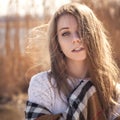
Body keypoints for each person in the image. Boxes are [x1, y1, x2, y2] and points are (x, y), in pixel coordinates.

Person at [25, 2, 120, 120]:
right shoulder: (43, 84)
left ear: (95, 35)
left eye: (83, 30)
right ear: (57, 42)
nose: (76, 39)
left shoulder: (112, 89)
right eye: (65, 33)